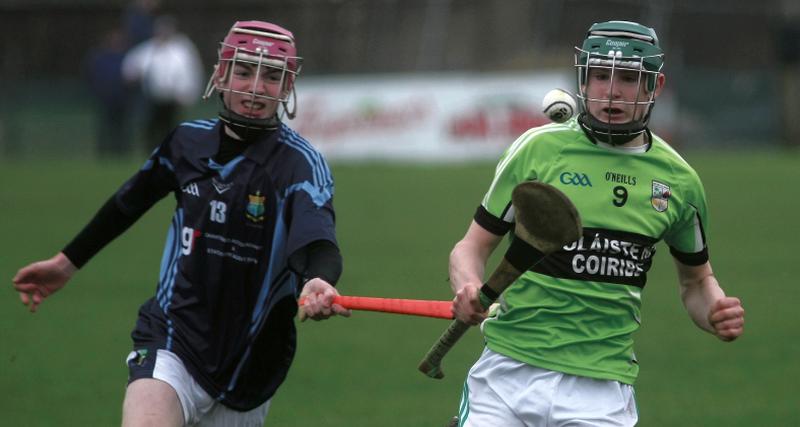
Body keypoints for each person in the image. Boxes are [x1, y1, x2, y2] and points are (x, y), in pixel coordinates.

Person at [12, 20, 350, 426]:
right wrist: (66, 263)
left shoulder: (300, 165)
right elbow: (127, 203)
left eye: (272, 76)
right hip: (173, 336)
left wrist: (319, 278)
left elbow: (316, 239)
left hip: (251, 364)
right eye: (243, 71)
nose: (256, 88)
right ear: (220, 75)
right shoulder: (186, 142)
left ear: (287, 87)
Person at [448, 21, 745, 426]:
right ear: (583, 78)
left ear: (654, 87)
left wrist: (714, 311)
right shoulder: (537, 150)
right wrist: (467, 284)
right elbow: (472, 247)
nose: (611, 91)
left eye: (627, 78)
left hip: (599, 390)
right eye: (600, 75)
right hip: (506, 374)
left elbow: (696, 281)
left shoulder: (679, 182)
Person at [122, 15, 203, 152]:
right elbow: (131, 67)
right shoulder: (148, 49)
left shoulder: (181, 50)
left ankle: (170, 152)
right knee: (152, 127)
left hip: (173, 98)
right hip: (152, 98)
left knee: (171, 127)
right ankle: (151, 152)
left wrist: (188, 93)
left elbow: (190, 72)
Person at [85, 27, 133, 157]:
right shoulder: (99, 57)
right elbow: (91, 76)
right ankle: (104, 152)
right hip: (105, 98)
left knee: (122, 127)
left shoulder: (127, 57)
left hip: (123, 98)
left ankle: (122, 152)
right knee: (105, 126)